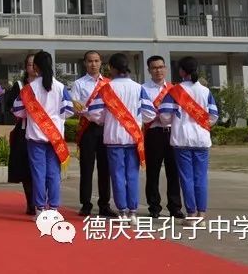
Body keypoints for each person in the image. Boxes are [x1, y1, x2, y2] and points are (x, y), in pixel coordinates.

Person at [86, 53, 156, 221]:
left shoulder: (106, 88)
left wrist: (106, 120)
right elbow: (150, 113)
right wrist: (137, 120)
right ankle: (132, 211)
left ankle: (122, 211)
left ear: (111, 68)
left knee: (117, 175)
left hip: (113, 138)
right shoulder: (139, 88)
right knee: (132, 175)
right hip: (133, 138)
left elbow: (95, 113)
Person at [12, 51, 74, 218]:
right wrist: (56, 118)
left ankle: (39, 208)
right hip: (54, 136)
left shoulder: (28, 88)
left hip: (35, 137)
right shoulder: (61, 87)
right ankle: (53, 208)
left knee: (38, 173)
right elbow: (68, 110)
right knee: (54, 173)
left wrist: (31, 115)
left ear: (36, 67)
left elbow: (17, 111)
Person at [158, 57, 218, 221]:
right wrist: (202, 125)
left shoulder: (175, 91)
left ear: (181, 71)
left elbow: (164, 116)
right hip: (202, 140)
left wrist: (176, 121)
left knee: (186, 178)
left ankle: (191, 214)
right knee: (201, 177)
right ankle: (202, 214)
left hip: (182, 139)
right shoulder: (205, 91)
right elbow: (213, 116)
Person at [69, 50, 117, 217]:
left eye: (96, 61)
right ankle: (86, 204)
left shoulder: (110, 83)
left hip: (106, 128)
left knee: (105, 168)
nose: (93, 64)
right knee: (86, 168)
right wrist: (89, 112)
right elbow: (75, 107)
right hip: (88, 128)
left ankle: (104, 204)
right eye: (90, 61)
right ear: (85, 63)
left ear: (101, 62)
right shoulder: (79, 84)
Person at [143, 55, 185, 219]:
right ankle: (154, 206)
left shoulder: (175, 89)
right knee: (152, 172)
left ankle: (175, 207)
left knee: (173, 171)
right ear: (149, 70)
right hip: (153, 133)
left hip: (172, 133)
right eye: (154, 67)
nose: (158, 70)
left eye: (161, 67)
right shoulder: (143, 89)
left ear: (165, 68)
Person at [3, 53, 37, 215]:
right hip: (23, 131)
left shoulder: (49, 85)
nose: (34, 67)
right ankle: (31, 202)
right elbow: (9, 105)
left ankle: (42, 202)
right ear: (26, 67)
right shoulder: (19, 85)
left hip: (44, 132)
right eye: (30, 64)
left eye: (36, 64)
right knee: (26, 170)